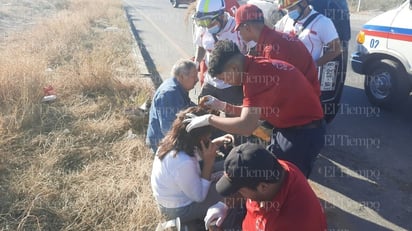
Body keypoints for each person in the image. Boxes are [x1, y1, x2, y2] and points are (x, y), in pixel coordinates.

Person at [185, 40, 326, 178]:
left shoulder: (254, 78)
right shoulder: (255, 65)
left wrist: (209, 119)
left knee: (285, 180)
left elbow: (246, 126)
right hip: (291, 125)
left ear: (233, 68)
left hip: (304, 132)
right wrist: (223, 106)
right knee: (272, 170)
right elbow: (252, 113)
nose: (225, 82)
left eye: (224, 78)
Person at [203, 143, 327, 230]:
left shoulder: (287, 224)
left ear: (263, 187)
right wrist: (225, 204)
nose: (236, 193)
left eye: (240, 190)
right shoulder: (279, 168)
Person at [151, 106, 234, 224]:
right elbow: (199, 196)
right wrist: (209, 164)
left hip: (177, 195)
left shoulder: (176, 141)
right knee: (232, 189)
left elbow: (196, 156)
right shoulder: (182, 161)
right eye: (208, 137)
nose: (209, 139)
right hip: (180, 209)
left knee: (228, 166)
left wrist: (216, 142)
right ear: (198, 138)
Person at [275, 0, 343, 123]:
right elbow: (274, 34)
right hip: (286, 78)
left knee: (303, 115)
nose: (289, 12)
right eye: (287, 9)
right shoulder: (286, 20)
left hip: (307, 80)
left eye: (292, 8)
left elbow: (336, 49)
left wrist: (314, 65)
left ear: (304, 3)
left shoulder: (323, 23)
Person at [233, 3, 320, 96]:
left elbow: (278, 92)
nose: (239, 34)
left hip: (304, 100)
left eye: (239, 30)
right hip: (308, 95)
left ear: (247, 27)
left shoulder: (272, 49)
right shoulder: (276, 37)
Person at [192, 0, 247, 106]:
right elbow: (201, 46)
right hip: (210, 81)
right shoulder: (203, 28)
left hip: (232, 86)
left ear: (221, 16)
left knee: (232, 118)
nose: (206, 26)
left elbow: (253, 52)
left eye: (209, 21)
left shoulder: (238, 29)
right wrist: (196, 63)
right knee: (201, 111)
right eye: (203, 22)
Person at [310, 0, 351, 122]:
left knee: (327, 90)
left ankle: (321, 118)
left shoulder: (331, 6)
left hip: (332, 41)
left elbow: (337, 47)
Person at [146, 59, 198, 153]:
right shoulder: (169, 94)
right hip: (163, 144)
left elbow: (186, 105)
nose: (197, 79)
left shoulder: (177, 87)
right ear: (182, 76)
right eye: (194, 76)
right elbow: (168, 129)